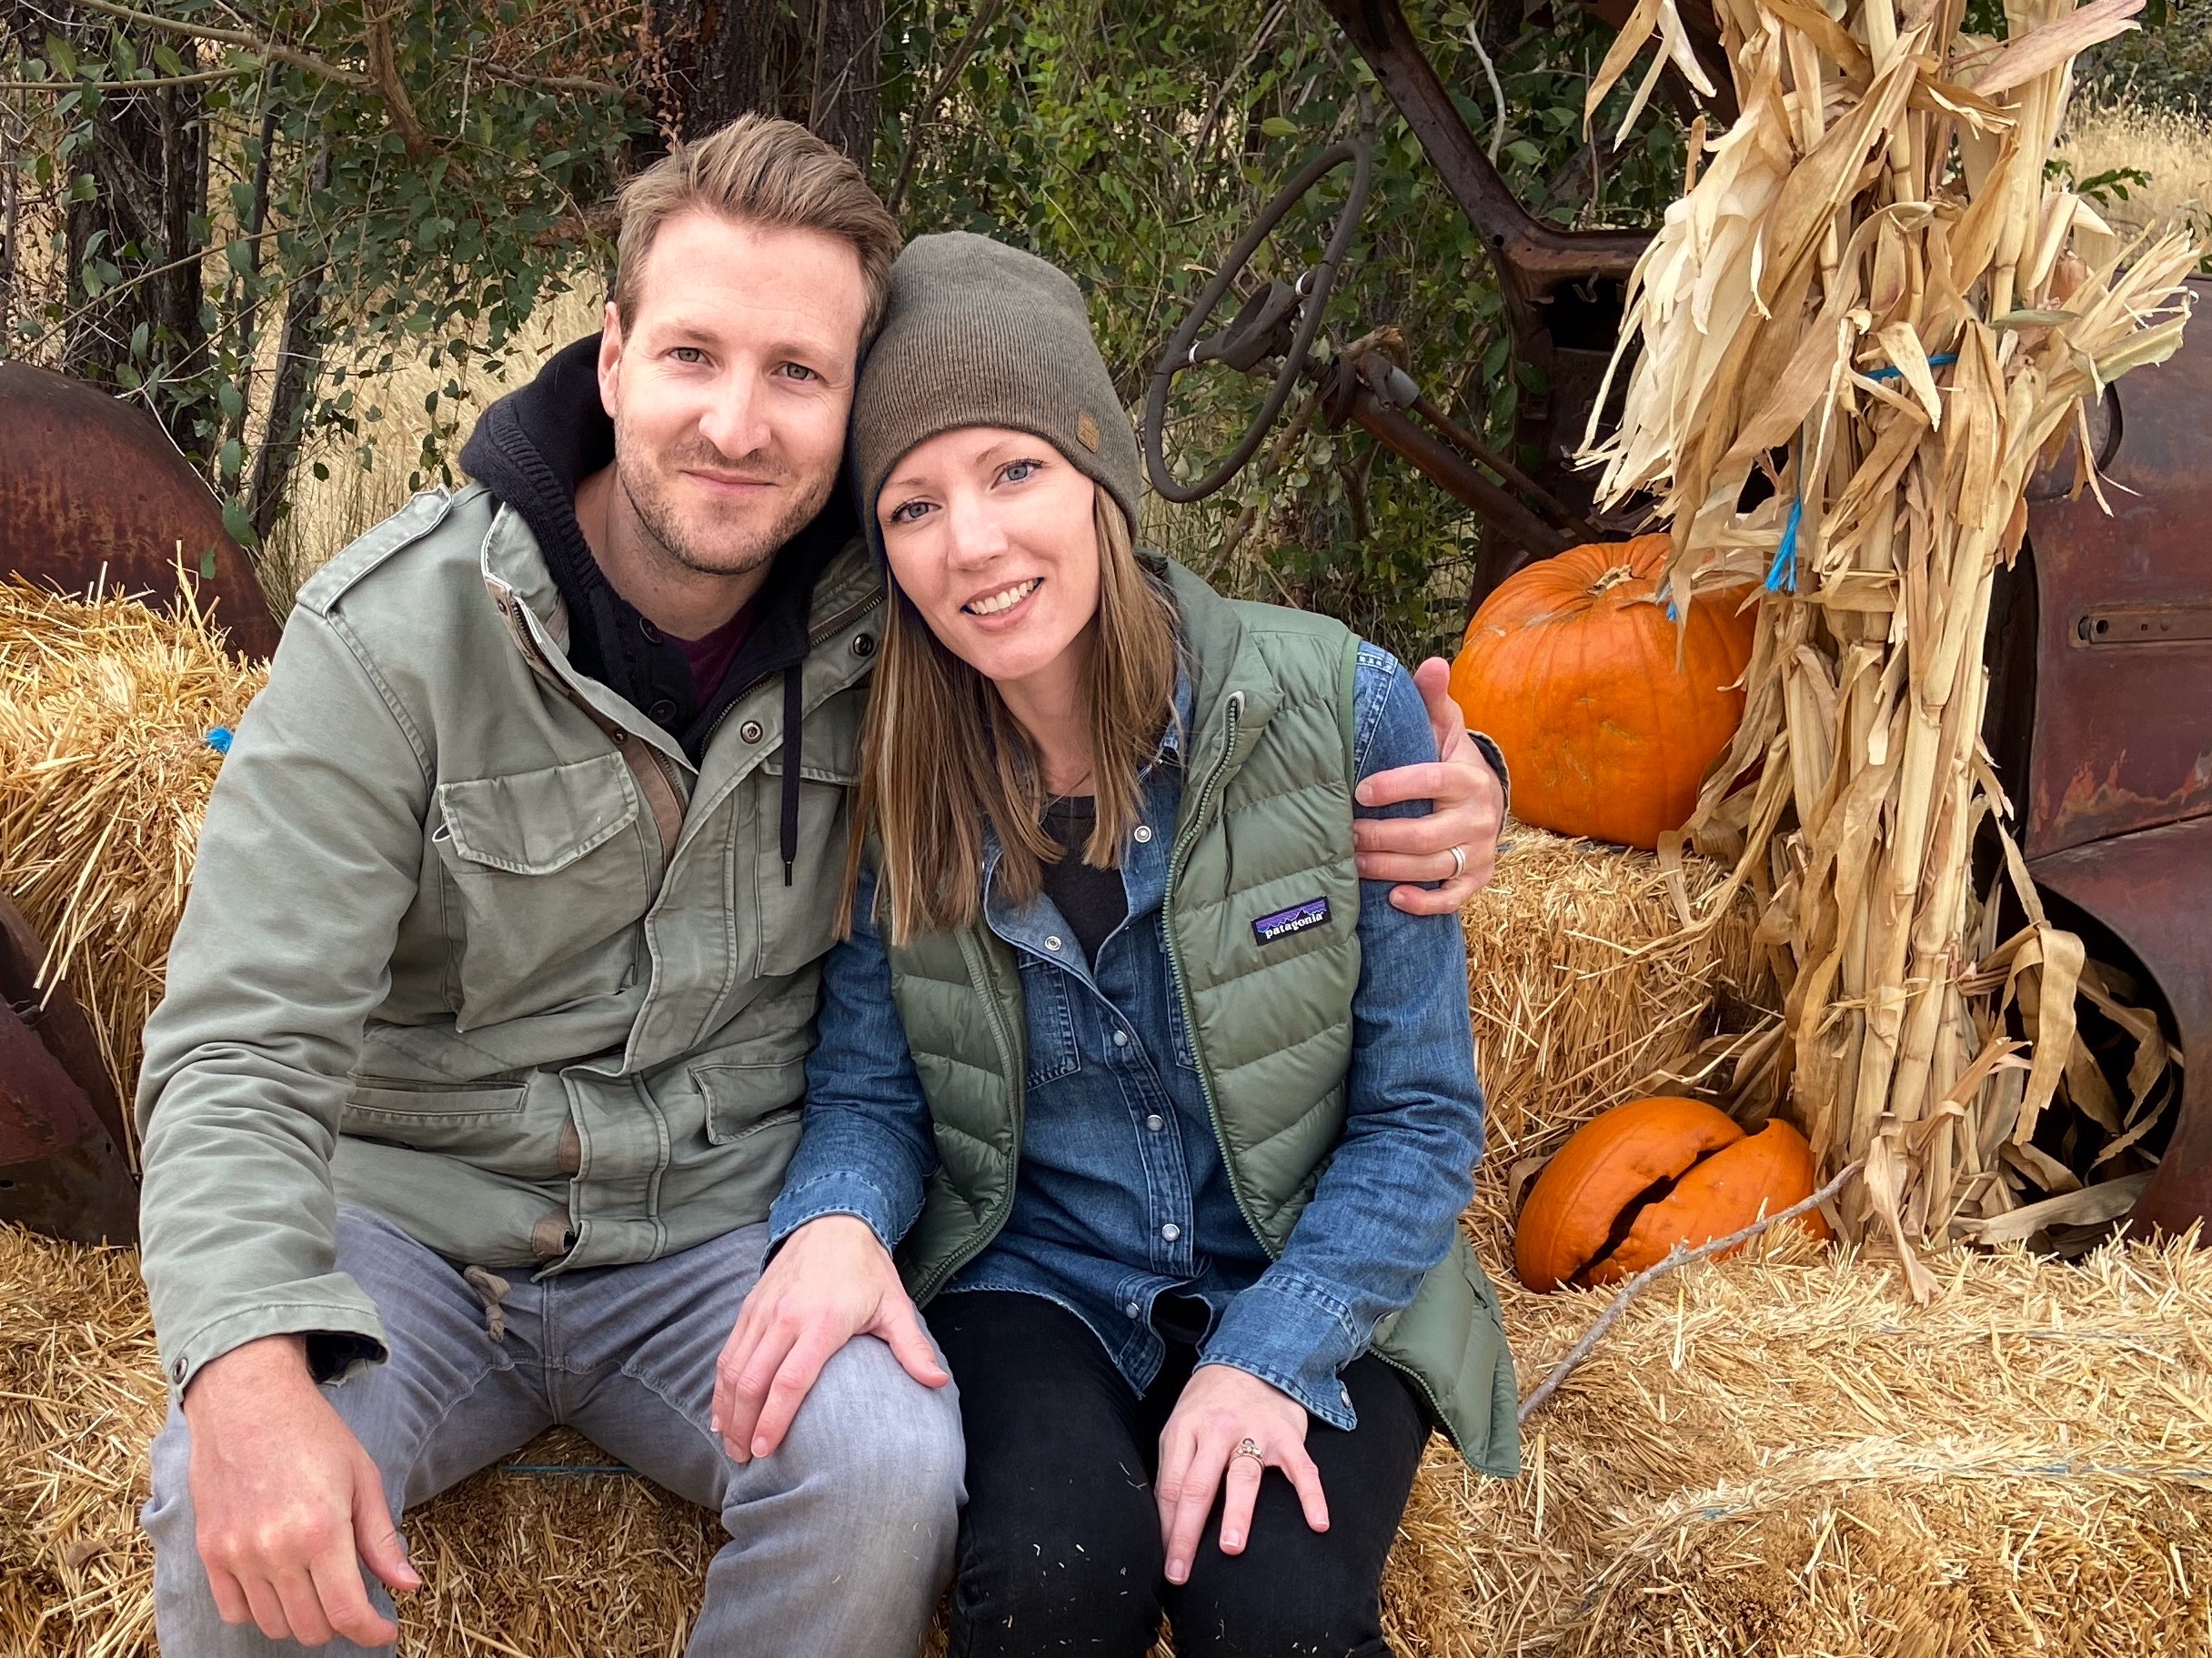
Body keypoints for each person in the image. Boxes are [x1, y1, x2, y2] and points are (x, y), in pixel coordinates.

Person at [132, 119, 1506, 1654]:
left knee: (889, 1470)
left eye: (797, 373)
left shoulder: (899, 632)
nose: (735, 422)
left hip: (707, 1229)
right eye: (693, 356)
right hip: (413, 1226)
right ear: (611, 361)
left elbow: (1205, 691)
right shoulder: (398, 639)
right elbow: (235, 1048)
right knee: (221, 1494)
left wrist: (1474, 782)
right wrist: (243, 1372)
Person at [717, 232, 1519, 1658]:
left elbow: (1419, 1119)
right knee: (1045, 1582)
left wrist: (1273, 1352)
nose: (973, 544)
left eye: (1014, 472)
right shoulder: (889, 775)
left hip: (1298, 1257)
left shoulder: (1339, 709)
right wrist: (835, 1219)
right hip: (1041, 1276)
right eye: (913, 505)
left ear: (1099, 477)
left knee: (1275, 1614)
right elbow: (870, 1092)